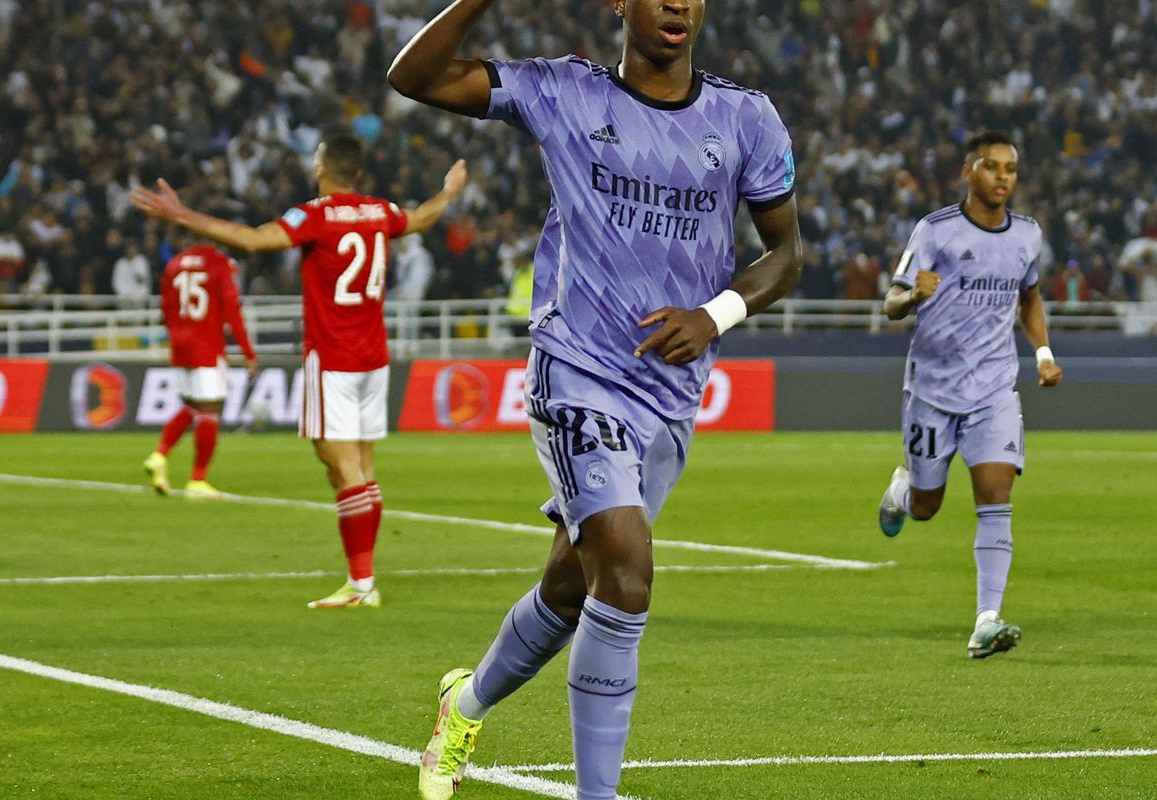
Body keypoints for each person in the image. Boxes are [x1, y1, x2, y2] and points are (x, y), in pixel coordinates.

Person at [387, 0, 803, 797]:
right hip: (576, 367)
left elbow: (785, 253)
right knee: (628, 566)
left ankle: (462, 707)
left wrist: (714, 314)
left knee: (572, 588)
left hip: (669, 394)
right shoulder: (564, 92)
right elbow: (415, 78)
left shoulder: (747, 118)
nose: (679, 2)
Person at [130, 134, 468, 609]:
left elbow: (254, 240)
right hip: (373, 357)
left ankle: (361, 585)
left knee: (341, 466)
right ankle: (362, 580)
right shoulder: (379, 211)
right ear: (357, 173)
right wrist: (449, 191)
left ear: (322, 168)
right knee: (360, 467)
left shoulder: (314, 216)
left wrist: (182, 215)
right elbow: (421, 218)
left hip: (332, 358)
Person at [876, 131, 1063, 660]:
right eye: (991, 166)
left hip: (994, 386)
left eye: (1011, 169)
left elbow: (1029, 297)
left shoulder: (1027, 235)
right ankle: (902, 494)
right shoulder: (935, 231)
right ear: (968, 172)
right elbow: (891, 304)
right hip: (933, 389)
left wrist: (1043, 354)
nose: (1003, 177)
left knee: (996, 496)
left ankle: (987, 620)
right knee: (928, 506)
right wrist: (913, 296)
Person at [141, 240, 257, 497]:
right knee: (210, 410)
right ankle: (198, 480)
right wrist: (248, 352)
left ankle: (159, 456)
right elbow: (232, 310)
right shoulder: (219, 264)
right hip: (206, 345)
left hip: (180, 345)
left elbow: (165, 309)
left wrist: (177, 338)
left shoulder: (174, 264)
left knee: (192, 406)